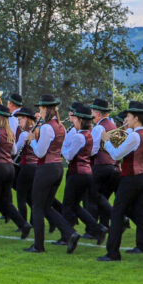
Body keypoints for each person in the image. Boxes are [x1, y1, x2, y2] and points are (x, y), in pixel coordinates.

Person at [97, 101, 143, 263]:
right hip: (142, 178)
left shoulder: (135, 135)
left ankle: (113, 253)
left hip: (130, 179)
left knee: (116, 214)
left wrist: (107, 140)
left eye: (128, 116)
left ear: (136, 118)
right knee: (141, 217)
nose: (126, 119)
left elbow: (115, 155)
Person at [26, 94, 79, 253]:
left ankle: (38, 245)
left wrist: (32, 140)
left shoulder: (48, 127)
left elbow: (40, 152)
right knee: (46, 206)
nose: (40, 111)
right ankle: (70, 233)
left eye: (41, 108)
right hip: (57, 167)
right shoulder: (60, 126)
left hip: (46, 169)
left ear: (45, 109)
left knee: (37, 207)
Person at [60, 102, 107, 247]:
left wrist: (60, 144)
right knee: (75, 206)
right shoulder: (88, 135)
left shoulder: (79, 137)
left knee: (68, 205)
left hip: (77, 174)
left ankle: (69, 235)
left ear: (80, 120)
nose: (72, 120)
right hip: (86, 173)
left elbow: (68, 156)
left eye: (75, 118)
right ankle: (98, 229)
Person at [0, 104, 31, 239]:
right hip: (9, 168)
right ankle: (23, 224)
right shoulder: (10, 132)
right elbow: (14, 151)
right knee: (6, 202)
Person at [88, 98, 118, 230]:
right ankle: (105, 224)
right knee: (104, 197)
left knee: (92, 197)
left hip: (100, 165)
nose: (91, 115)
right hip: (113, 165)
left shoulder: (99, 127)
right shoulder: (113, 125)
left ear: (98, 114)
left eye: (93, 112)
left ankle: (94, 228)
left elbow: (93, 149)